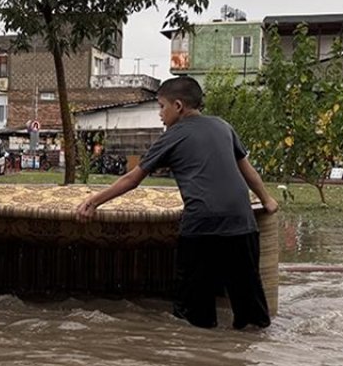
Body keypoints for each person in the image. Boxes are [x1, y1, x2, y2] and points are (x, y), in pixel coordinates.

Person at [75, 77, 279, 330]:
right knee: (251, 311)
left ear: (178, 106)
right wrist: (267, 200)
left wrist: (93, 201)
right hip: (242, 225)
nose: (160, 114)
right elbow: (248, 171)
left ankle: (192, 358)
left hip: (201, 228)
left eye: (161, 106)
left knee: (194, 316)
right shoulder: (223, 126)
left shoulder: (172, 136)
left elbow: (132, 179)